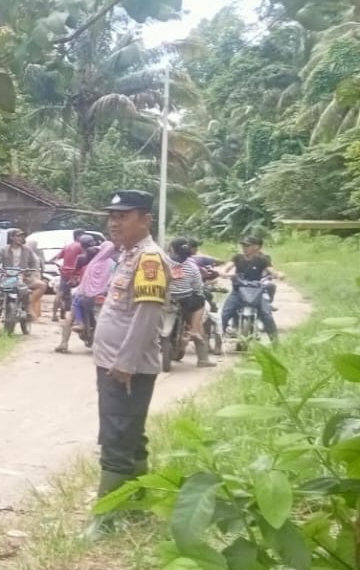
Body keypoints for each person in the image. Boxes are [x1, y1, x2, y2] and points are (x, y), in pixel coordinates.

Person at [87, 190, 170, 536]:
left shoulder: (149, 259)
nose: (115, 222)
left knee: (117, 435)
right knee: (131, 435)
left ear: (145, 220)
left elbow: (147, 314)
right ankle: (136, 507)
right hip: (114, 361)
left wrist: (126, 362)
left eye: (124, 215)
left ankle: (105, 519)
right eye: (112, 215)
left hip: (126, 367)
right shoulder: (127, 256)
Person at [54, 240, 115, 354]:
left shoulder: (91, 263)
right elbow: (114, 280)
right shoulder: (112, 263)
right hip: (104, 296)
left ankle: (64, 342)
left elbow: (84, 282)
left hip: (86, 296)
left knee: (71, 315)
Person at [219, 235, 281, 343]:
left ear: (256, 247)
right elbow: (227, 267)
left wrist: (278, 274)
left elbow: (272, 271)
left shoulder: (262, 260)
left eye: (247, 245)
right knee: (225, 313)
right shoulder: (237, 257)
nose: (244, 248)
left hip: (256, 292)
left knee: (267, 315)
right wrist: (223, 272)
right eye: (243, 245)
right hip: (238, 291)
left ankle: (276, 344)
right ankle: (220, 340)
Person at [167, 238, 216, 368]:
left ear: (171, 249)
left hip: (165, 299)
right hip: (186, 301)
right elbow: (198, 287)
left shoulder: (165, 262)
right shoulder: (192, 266)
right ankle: (202, 356)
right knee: (200, 300)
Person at [0, 229, 46, 322]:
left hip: (24, 277)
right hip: (8, 278)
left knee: (42, 285)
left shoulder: (27, 250)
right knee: (1, 298)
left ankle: (29, 304)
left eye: (22, 236)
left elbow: (34, 263)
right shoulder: (3, 250)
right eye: (18, 236)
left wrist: (31, 272)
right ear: (11, 237)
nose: (21, 238)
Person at [52, 230, 87, 321]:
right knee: (79, 294)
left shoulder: (67, 246)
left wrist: (59, 266)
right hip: (77, 274)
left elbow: (55, 258)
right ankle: (77, 317)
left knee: (60, 293)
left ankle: (54, 315)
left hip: (65, 273)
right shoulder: (82, 247)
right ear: (79, 236)